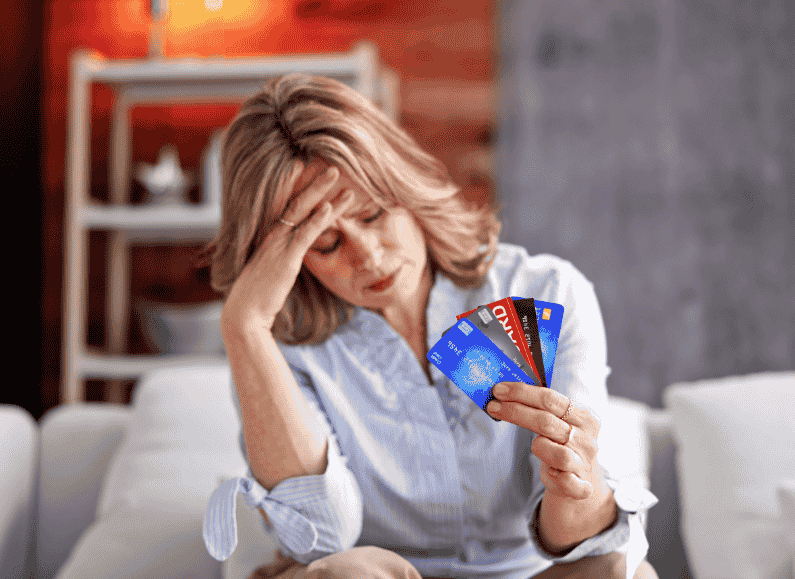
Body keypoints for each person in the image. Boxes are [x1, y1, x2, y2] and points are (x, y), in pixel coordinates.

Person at [201, 74, 658, 579]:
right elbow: (321, 537)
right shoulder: (283, 343)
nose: (369, 257)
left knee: (621, 572)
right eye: (326, 244)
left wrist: (575, 485)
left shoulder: (540, 291)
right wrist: (244, 327)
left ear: (404, 184)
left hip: (528, 572)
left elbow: (575, 546)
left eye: (374, 214)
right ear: (281, 257)